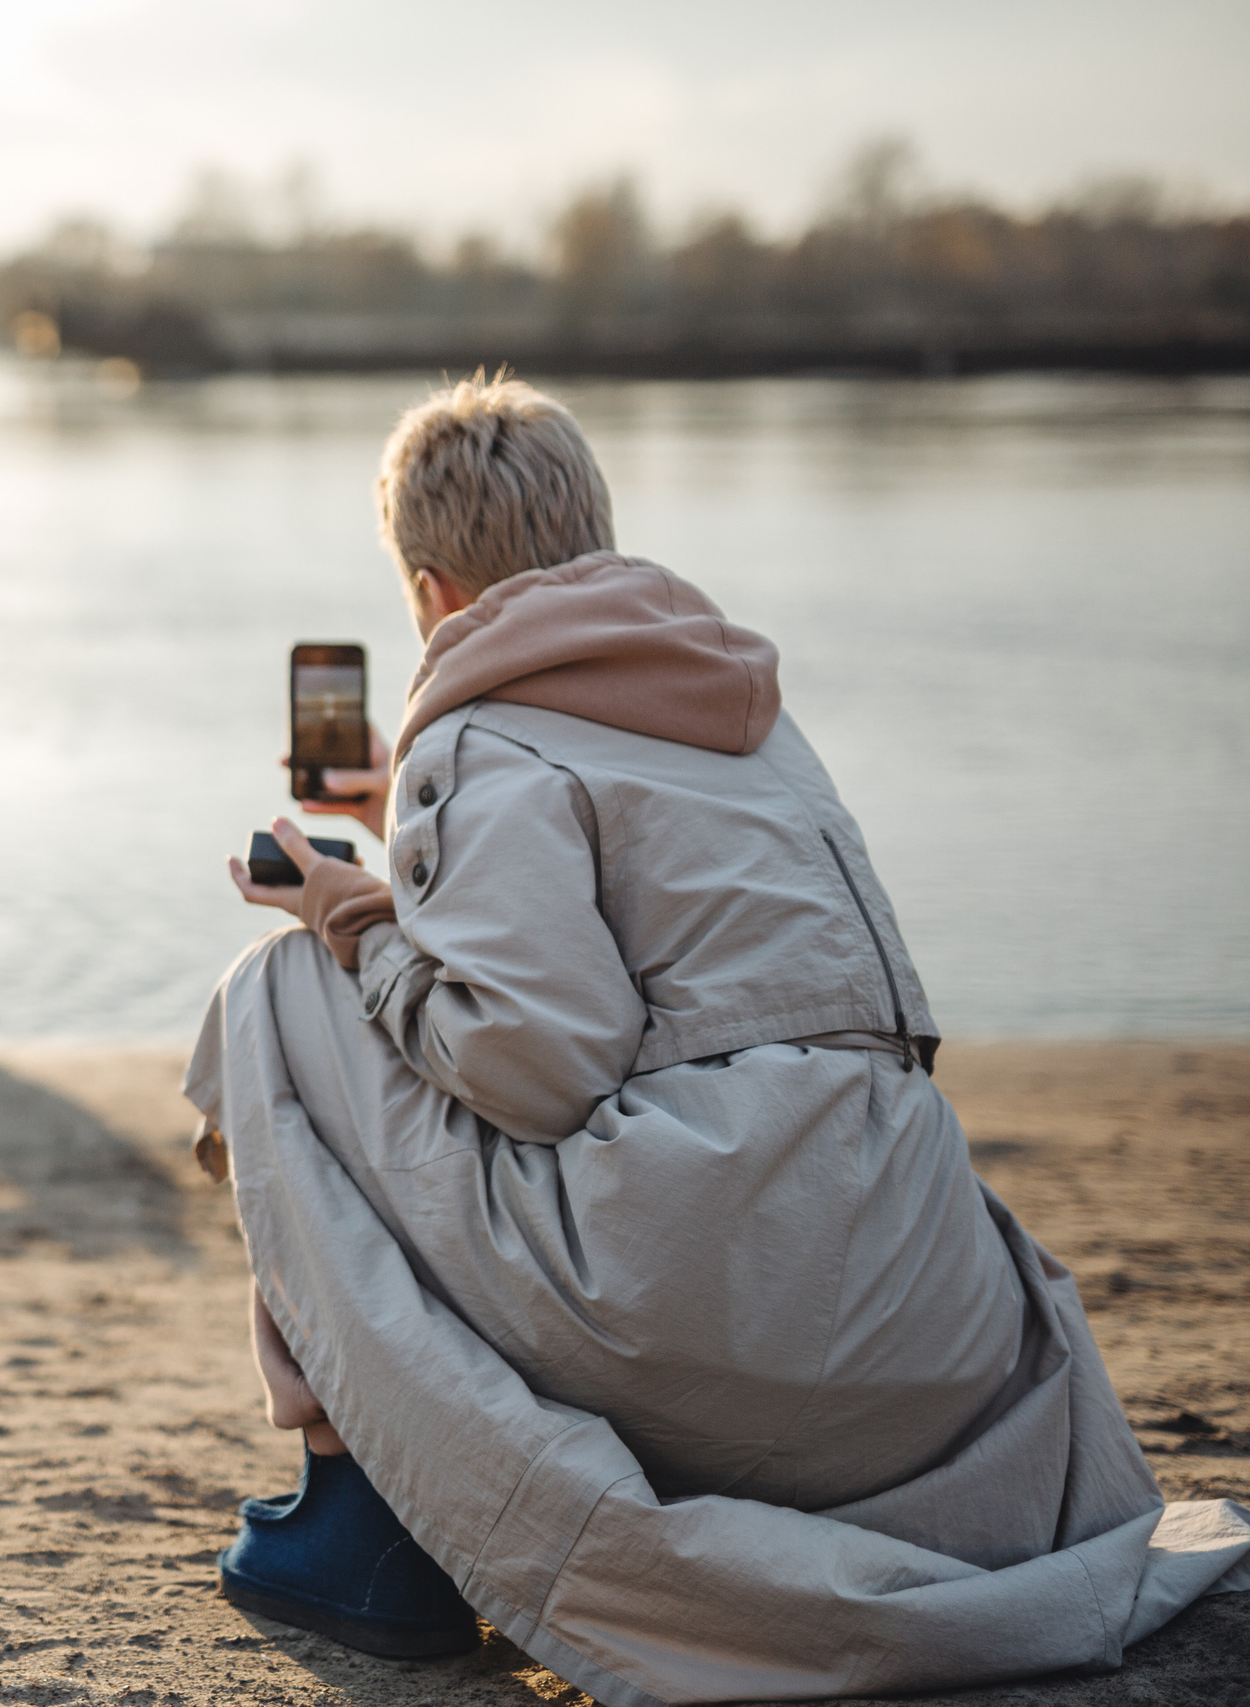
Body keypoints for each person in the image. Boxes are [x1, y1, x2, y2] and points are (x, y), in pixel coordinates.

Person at [187, 374, 1249, 1701]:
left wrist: (354, 913)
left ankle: (357, 1515)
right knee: (360, 979)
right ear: (595, 534)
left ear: (430, 590)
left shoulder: (479, 742)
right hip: (914, 1319)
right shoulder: (743, 712)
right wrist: (411, 833)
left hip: (715, 1306)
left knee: (278, 991)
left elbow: (536, 1065)